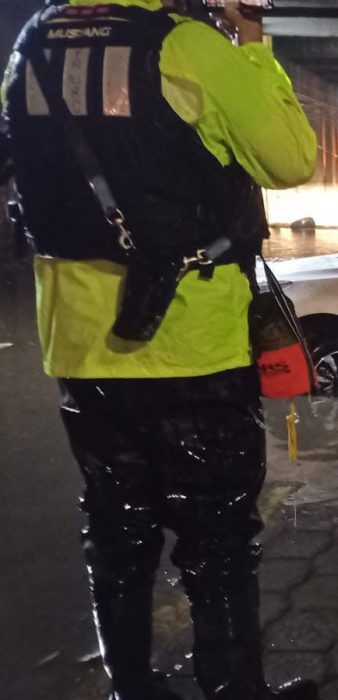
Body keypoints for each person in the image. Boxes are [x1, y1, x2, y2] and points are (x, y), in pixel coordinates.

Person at [3, 1, 318, 698]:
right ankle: (234, 692)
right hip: (192, 346)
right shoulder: (188, 47)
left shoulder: (31, 44)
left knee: (116, 530)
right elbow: (291, 158)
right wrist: (254, 45)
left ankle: (133, 688)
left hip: (79, 349)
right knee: (218, 541)